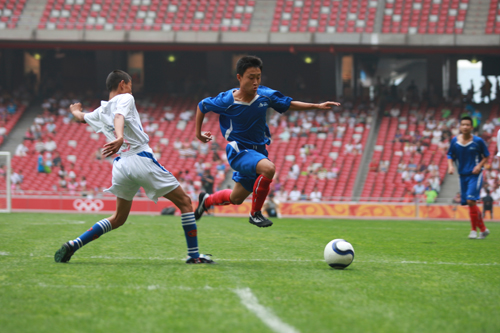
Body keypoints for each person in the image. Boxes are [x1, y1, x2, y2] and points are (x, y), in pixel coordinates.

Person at [53, 70, 214, 264]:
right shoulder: (125, 98)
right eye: (130, 85)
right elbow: (119, 116)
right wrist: (120, 137)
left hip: (121, 165)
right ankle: (194, 256)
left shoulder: (100, 111)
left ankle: (74, 244)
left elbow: (80, 117)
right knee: (186, 203)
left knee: (119, 218)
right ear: (123, 84)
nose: (132, 90)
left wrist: (74, 110)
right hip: (139, 158)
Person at [192, 56, 340, 227]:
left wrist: (317, 106)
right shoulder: (226, 101)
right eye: (251, 77)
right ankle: (255, 214)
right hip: (238, 150)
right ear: (239, 77)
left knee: (236, 198)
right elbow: (202, 105)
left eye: (258, 77)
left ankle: (206, 200)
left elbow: (288, 103)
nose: (255, 82)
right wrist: (198, 133)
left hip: (258, 152)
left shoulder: (265, 95)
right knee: (269, 168)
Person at [447, 116, 490, 239]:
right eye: (463, 124)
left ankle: (473, 230)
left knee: (471, 201)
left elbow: (486, 155)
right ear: (460, 127)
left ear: (471, 127)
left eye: (467, 125)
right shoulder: (455, 141)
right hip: (462, 175)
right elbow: (450, 154)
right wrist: (450, 166)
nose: (465, 127)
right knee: (469, 203)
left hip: (475, 175)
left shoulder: (478, 141)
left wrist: (479, 165)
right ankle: (482, 229)